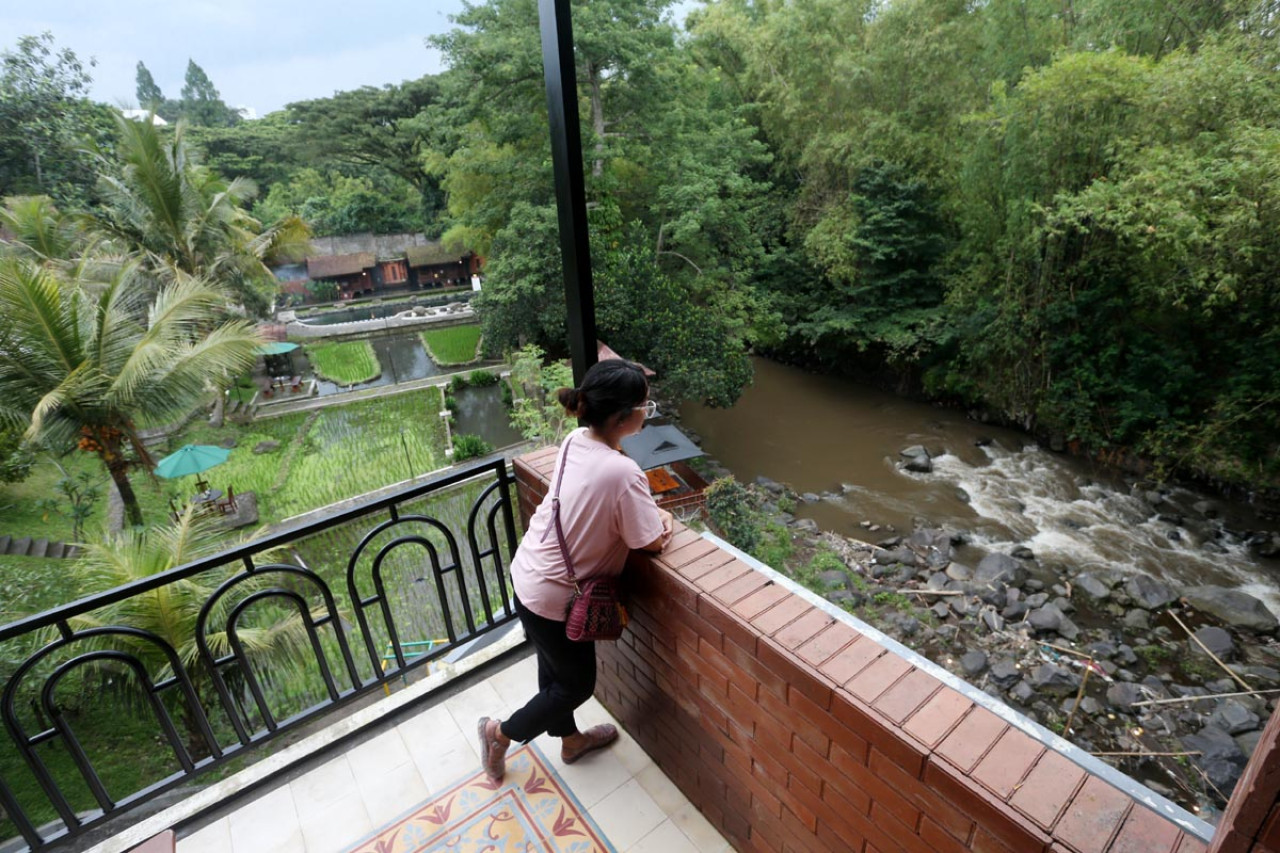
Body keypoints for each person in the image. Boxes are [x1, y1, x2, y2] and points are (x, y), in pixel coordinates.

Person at [478, 359, 673, 781]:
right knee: (576, 684)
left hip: (528, 573)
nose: (647, 411)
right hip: (557, 596)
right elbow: (649, 542)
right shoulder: (623, 472)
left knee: (554, 670)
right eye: (646, 405)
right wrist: (666, 522)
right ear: (624, 416)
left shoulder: (574, 441)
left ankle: (570, 740)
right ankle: (500, 733)